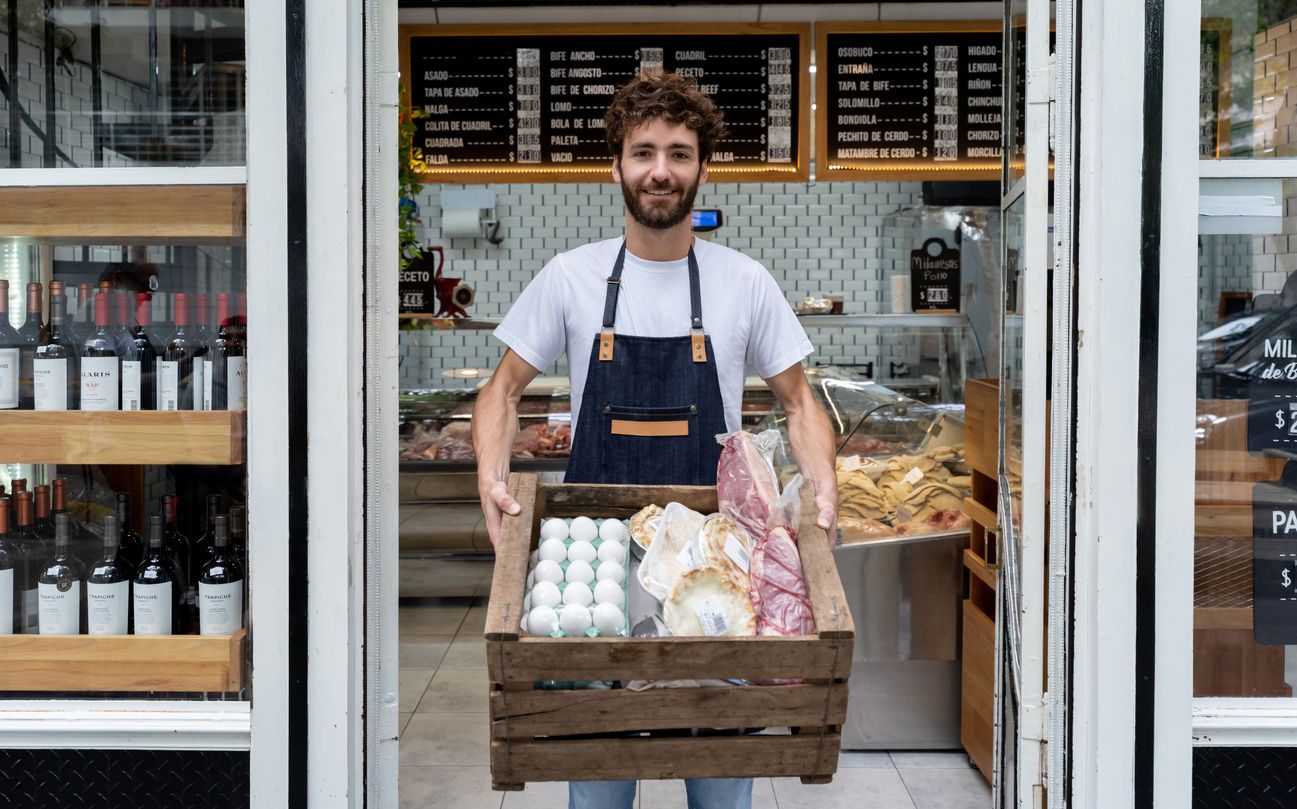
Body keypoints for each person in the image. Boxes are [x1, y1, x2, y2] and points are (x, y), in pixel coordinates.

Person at [471, 71, 837, 809]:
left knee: (719, 775)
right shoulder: (571, 277)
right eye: (643, 152)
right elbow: (500, 391)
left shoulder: (743, 282)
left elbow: (800, 401)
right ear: (616, 166)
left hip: (716, 565)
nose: (660, 170)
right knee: (599, 776)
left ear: (702, 166)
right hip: (595, 560)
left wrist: (822, 483)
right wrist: (490, 474)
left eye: (677, 151)